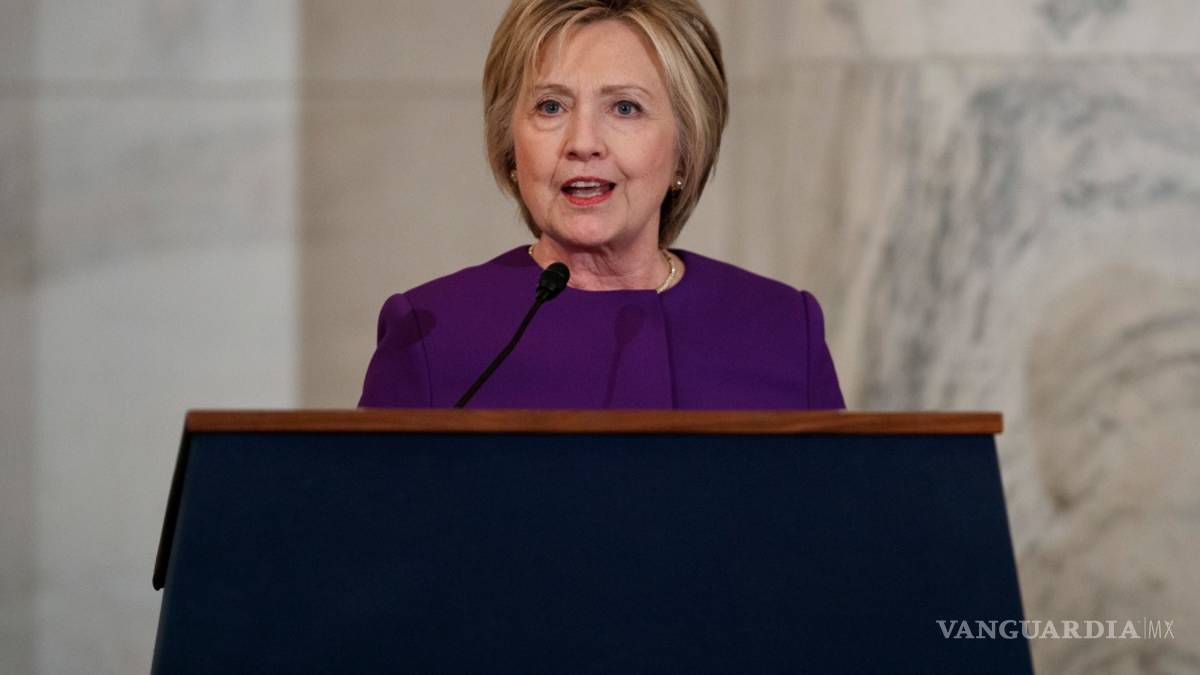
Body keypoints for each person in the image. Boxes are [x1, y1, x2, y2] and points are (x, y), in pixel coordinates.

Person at [359, 0, 844, 409]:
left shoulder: (781, 328)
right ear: (511, 146)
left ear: (685, 148)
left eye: (625, 107)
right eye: (551, 106)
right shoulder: (432, 333)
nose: (583, 143)